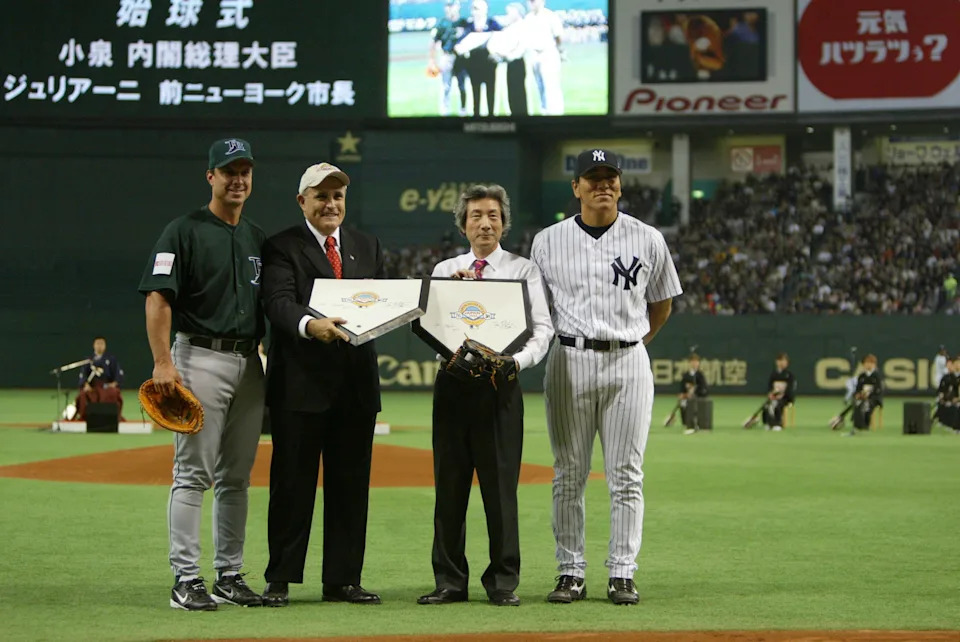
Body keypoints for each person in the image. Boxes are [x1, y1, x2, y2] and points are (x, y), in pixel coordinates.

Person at [531, 148, 682, 606]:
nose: (603, 185)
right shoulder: (547, 241)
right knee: (568, 475)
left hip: (627, 360)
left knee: (626, 475)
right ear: (575, 187)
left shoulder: (648, 238)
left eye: (609, 177)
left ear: (620, 184)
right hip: (569, 358)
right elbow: (538, 310)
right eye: (592, 178)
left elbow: (662, 304)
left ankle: (622, 573)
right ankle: (570, 571)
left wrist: (634, 343)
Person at [138, 138, 266, 611]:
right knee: (193, 473)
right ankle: (186, 579)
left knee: (237, 477)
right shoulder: (183, 231)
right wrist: (163, 362)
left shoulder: (255, 236)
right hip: (199, 358)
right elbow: (157, 298)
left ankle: (229, 575)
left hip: (249, 362)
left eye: (244, 171)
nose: (237, 180)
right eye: (228, 171)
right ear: (210, 176)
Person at [418, 184, 553, 608]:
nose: (485, 223)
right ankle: (450, 582)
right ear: (463, 224)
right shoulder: (446, 269)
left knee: (500, 492)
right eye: (476, 215)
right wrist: (450, 294)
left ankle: (502, 582)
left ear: (504, 222)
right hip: (454, 389)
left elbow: (543, 329)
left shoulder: (523, 270)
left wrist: (518, 363)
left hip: (500, 388)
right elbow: (428, 326)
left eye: (493, 215)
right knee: (450, 490)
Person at [259, 162, 385, 607]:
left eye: (337, 197)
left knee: (351, 487)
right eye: (321, 197)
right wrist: (312, 326)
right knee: (292, 485)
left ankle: (343, 579)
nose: (331, 204)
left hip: (355, 386)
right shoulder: (280, 247)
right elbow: (277, 302)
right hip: (300, 386)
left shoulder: (366, 245)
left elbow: (385, 299)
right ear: (302, 202)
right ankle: (280, 577)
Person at [455, 0, 502, 117]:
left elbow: (502, 38)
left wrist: (497, 53)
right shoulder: (469, 25)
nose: (475, 11)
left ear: (485, 9)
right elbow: (460, 42)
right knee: (475, 92)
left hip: (489, 64)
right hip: (473, 64)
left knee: (490, 91)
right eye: (473, 8)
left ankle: (492, 117)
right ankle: (476, 117)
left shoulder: (492, 23)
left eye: (478, 8)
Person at [523, 0, 565, 115]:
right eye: (530, 1)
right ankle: (545, 113)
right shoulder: (528, 18)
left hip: (548, 53)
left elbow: (558, 36)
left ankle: (556, 114)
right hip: (534, 54)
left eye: (534, 1)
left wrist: (560, 51)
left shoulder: (550, 16)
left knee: (551, 86)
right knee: (540, 86)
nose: (531, 3)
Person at [429, 0, 469, 116]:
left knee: (462, 85)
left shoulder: (463, 22)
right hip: (447, 56)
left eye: (452, 5)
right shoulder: (441, 23)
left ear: (458, 6)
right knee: (446, 86)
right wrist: (432, 61)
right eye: (448, 5)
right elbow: (433, 42)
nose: (450, 8)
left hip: (461, 57)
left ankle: (463, 110)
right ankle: (445, 112)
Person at [74, 336, 124, 420]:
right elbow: (83, 375)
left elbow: (117, 374)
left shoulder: (111, 359)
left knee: (114, 392)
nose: (99, 346)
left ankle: (111, 418)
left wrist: (114, 384)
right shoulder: (88, 360)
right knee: (83, 395)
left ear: (105, 346)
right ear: (94, 345)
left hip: (106, 386)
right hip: (92, 386)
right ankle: (85, 417)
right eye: (98, 343)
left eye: (102, 344)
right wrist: (86, 385)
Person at [849, 354, 883, 435]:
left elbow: (878, 389)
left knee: (866, 404)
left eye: (871, 363)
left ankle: (865, 424)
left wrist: (868, 395)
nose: (869, 365)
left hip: (874, 398)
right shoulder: (861, 376)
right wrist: (857, 394)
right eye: (867, 363)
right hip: (862, 397)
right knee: (857, 402)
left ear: (874, 364)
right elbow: (858, 389)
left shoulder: (877, 375)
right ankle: (858, 423)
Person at [761, 352, 796, 431]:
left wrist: (781, 395)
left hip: (785, 398)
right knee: (766, 406)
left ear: (787, 363)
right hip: (774, 397)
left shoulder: (789, 375)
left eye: (783, 361)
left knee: (777, 405)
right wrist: (770, 393)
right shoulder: (773, 374)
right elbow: (770, 386)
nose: (781, 363)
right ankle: (768, 423)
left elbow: (790, 389)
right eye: (779, 360)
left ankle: (778, 423)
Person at [677, 353, 708, 435]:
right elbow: (682, 387)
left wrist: (696, 392)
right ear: (689, 363)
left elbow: (704, 388)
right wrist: (683, 394)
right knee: (683, 403)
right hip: (687, 398)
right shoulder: (686, 375)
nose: (695, 363)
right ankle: (686, 422)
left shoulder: (700, 375)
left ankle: (697, 422)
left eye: (696, 362)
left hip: (698, 397)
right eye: (693, 361)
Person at [933, 355, 959, 433]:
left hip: (956, 400)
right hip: (948, 400)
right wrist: (942, 398)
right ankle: (948, 423)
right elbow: (940, 391)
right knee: (946, 406)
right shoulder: (946, 377)